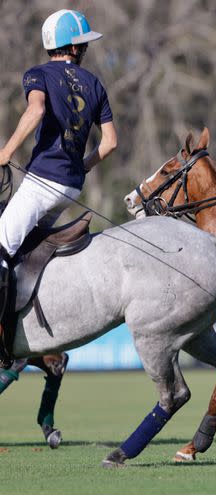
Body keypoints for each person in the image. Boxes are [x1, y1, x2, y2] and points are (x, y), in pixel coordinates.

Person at [0, 9, 117, 365]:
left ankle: (4, 338)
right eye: (82, 43)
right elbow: (110, 142)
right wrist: (80, 168)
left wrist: (5, 152)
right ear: (73, 48)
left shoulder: (38, 74)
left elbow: (35, 112)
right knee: (25, 252)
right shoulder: (95, 83)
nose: (85, 49)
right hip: (70, 187)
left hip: (41, 182)